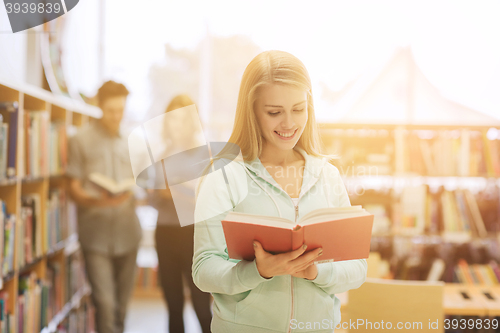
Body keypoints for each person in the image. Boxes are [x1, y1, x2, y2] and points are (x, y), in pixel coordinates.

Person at [192, 50, 367, 333]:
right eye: (274, 112)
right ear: (252, 111)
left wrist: (315, 272)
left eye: (298, 109)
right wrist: (259, 271)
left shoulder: (327, 175)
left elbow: (357, 268)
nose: (289, 124)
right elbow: (203, 271)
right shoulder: (223, 175)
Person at [67, 80, 142, 333]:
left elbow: (140, 183)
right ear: (99, 107)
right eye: (111, 111)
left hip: (128, 233)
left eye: (121, 110)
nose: (116, 116)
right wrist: (98, 200)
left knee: (121, 307)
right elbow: (73, 187)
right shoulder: (80, 139)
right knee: (105, 304)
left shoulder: (133, 140)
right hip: (95, 235)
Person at [147, 95, 212, 333]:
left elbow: (210, 202)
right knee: (173, 305)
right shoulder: (161, 156)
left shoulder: (205, 155)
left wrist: (179, 192)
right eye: (172, 120)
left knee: (202, 305)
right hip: (165, 233)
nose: (177, 125)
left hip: (195, 234)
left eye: (183, 119)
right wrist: (157, 195)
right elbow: (152, 201)